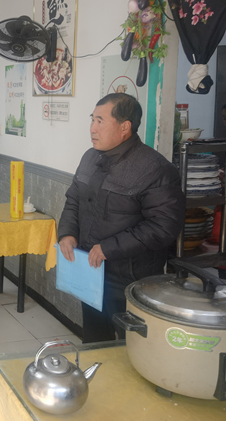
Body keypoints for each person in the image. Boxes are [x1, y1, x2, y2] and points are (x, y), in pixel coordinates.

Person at [58, 93, 185, 343]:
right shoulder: (90, 157)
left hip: (130, 280)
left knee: (132, 347)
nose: (92, 128)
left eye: (100, 121)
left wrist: (109, 248)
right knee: (95, 340)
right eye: (92, 119)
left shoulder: (155, 169)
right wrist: (67, 233)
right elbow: (74, 199)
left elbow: (164, 226)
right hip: (91, 273)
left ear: (125, 127)